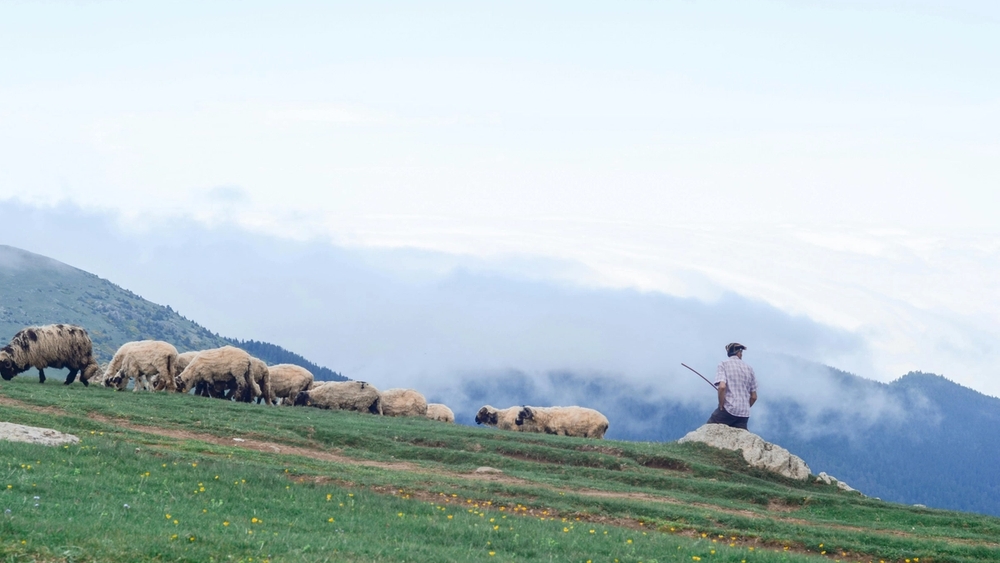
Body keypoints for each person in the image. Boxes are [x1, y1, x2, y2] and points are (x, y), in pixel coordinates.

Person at [706, 342, 757, 430]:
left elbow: (722, 387)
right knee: (739, 440)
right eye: (741, 352)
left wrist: (721, 405)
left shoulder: (723, 364)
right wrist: (744, 407)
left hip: (728, 410)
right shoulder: (749, 368)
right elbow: (754, 397)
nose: (741, 354)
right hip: (744, 414)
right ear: (738, 352)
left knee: (708, 430)